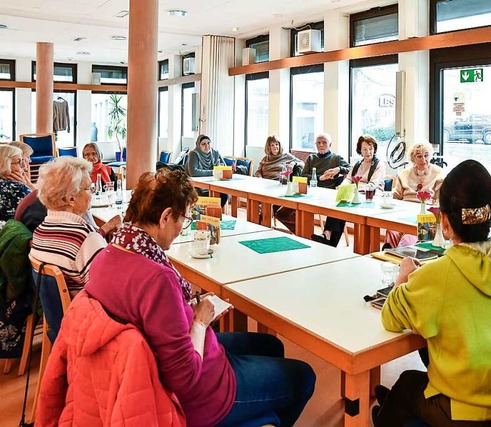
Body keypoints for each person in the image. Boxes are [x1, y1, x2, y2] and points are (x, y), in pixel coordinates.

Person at [85, 168, 315, 427]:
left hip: (164, 364)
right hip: (200, 394)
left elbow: (159, 320)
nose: (183, 226)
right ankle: (258, 417)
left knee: (271, 346)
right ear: (165, 217)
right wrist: (200, 322)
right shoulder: (156, 278)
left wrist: (189, 312)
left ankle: (262, 414)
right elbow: (184, 377)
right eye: (183, 218)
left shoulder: (110, 255)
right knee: (304, 376)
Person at [373, 160, 491, 427]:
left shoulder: (438, 274)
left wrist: (403, 277)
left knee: (407, 383)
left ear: (445, 222)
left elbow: (391, 317)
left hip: (466, 410)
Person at [30, 157, 121, 292]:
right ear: (71, 198)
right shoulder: (85, 237)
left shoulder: (40, 231)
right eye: (89, 188)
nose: (92, 193)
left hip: (56, 312)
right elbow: (111, 289)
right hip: (86, 310)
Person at [275, 132, 349, 241]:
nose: (321, 145)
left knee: (337, 206)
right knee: (281, 212)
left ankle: (319, 234)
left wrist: (339, 169)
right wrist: (320, 178)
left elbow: (351, 169)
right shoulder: (311, 158)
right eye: (318, 143)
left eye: (324, 142)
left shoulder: (336, 158)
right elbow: (304, 176)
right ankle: (304, 233)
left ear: (330, 144)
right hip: (309, 192)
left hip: (328, 194)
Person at [385, 143, 444, 248]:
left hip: (426, 216)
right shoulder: (404, 173)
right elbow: (396, 196)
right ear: (413, 158)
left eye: (426, 155)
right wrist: (385, 196)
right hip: (403, 212)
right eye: (419, 156)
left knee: (408, 238)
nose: (423, 159)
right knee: (391, 231)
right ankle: (390, 258)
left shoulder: (438, 173)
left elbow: (439, 201)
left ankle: (403, 259)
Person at [186, 133, 228, 207]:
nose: (207, 146)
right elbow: (193, 172)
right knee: (202, 195)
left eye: (208, 143)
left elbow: (224, 168)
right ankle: (208, 215)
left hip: (214, 184)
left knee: (224, 195)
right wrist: (214, 172)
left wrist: (221, 168)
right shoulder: (193, 154)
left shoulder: (215, 153)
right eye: (203, 144)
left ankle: (214, 215)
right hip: (197, 186)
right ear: (198, 145)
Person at [0, 144, 32, 221]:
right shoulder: (17, 188)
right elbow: (43, 207)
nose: (23, 166)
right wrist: (26, 186)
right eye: (19, 162)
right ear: (5, 164)